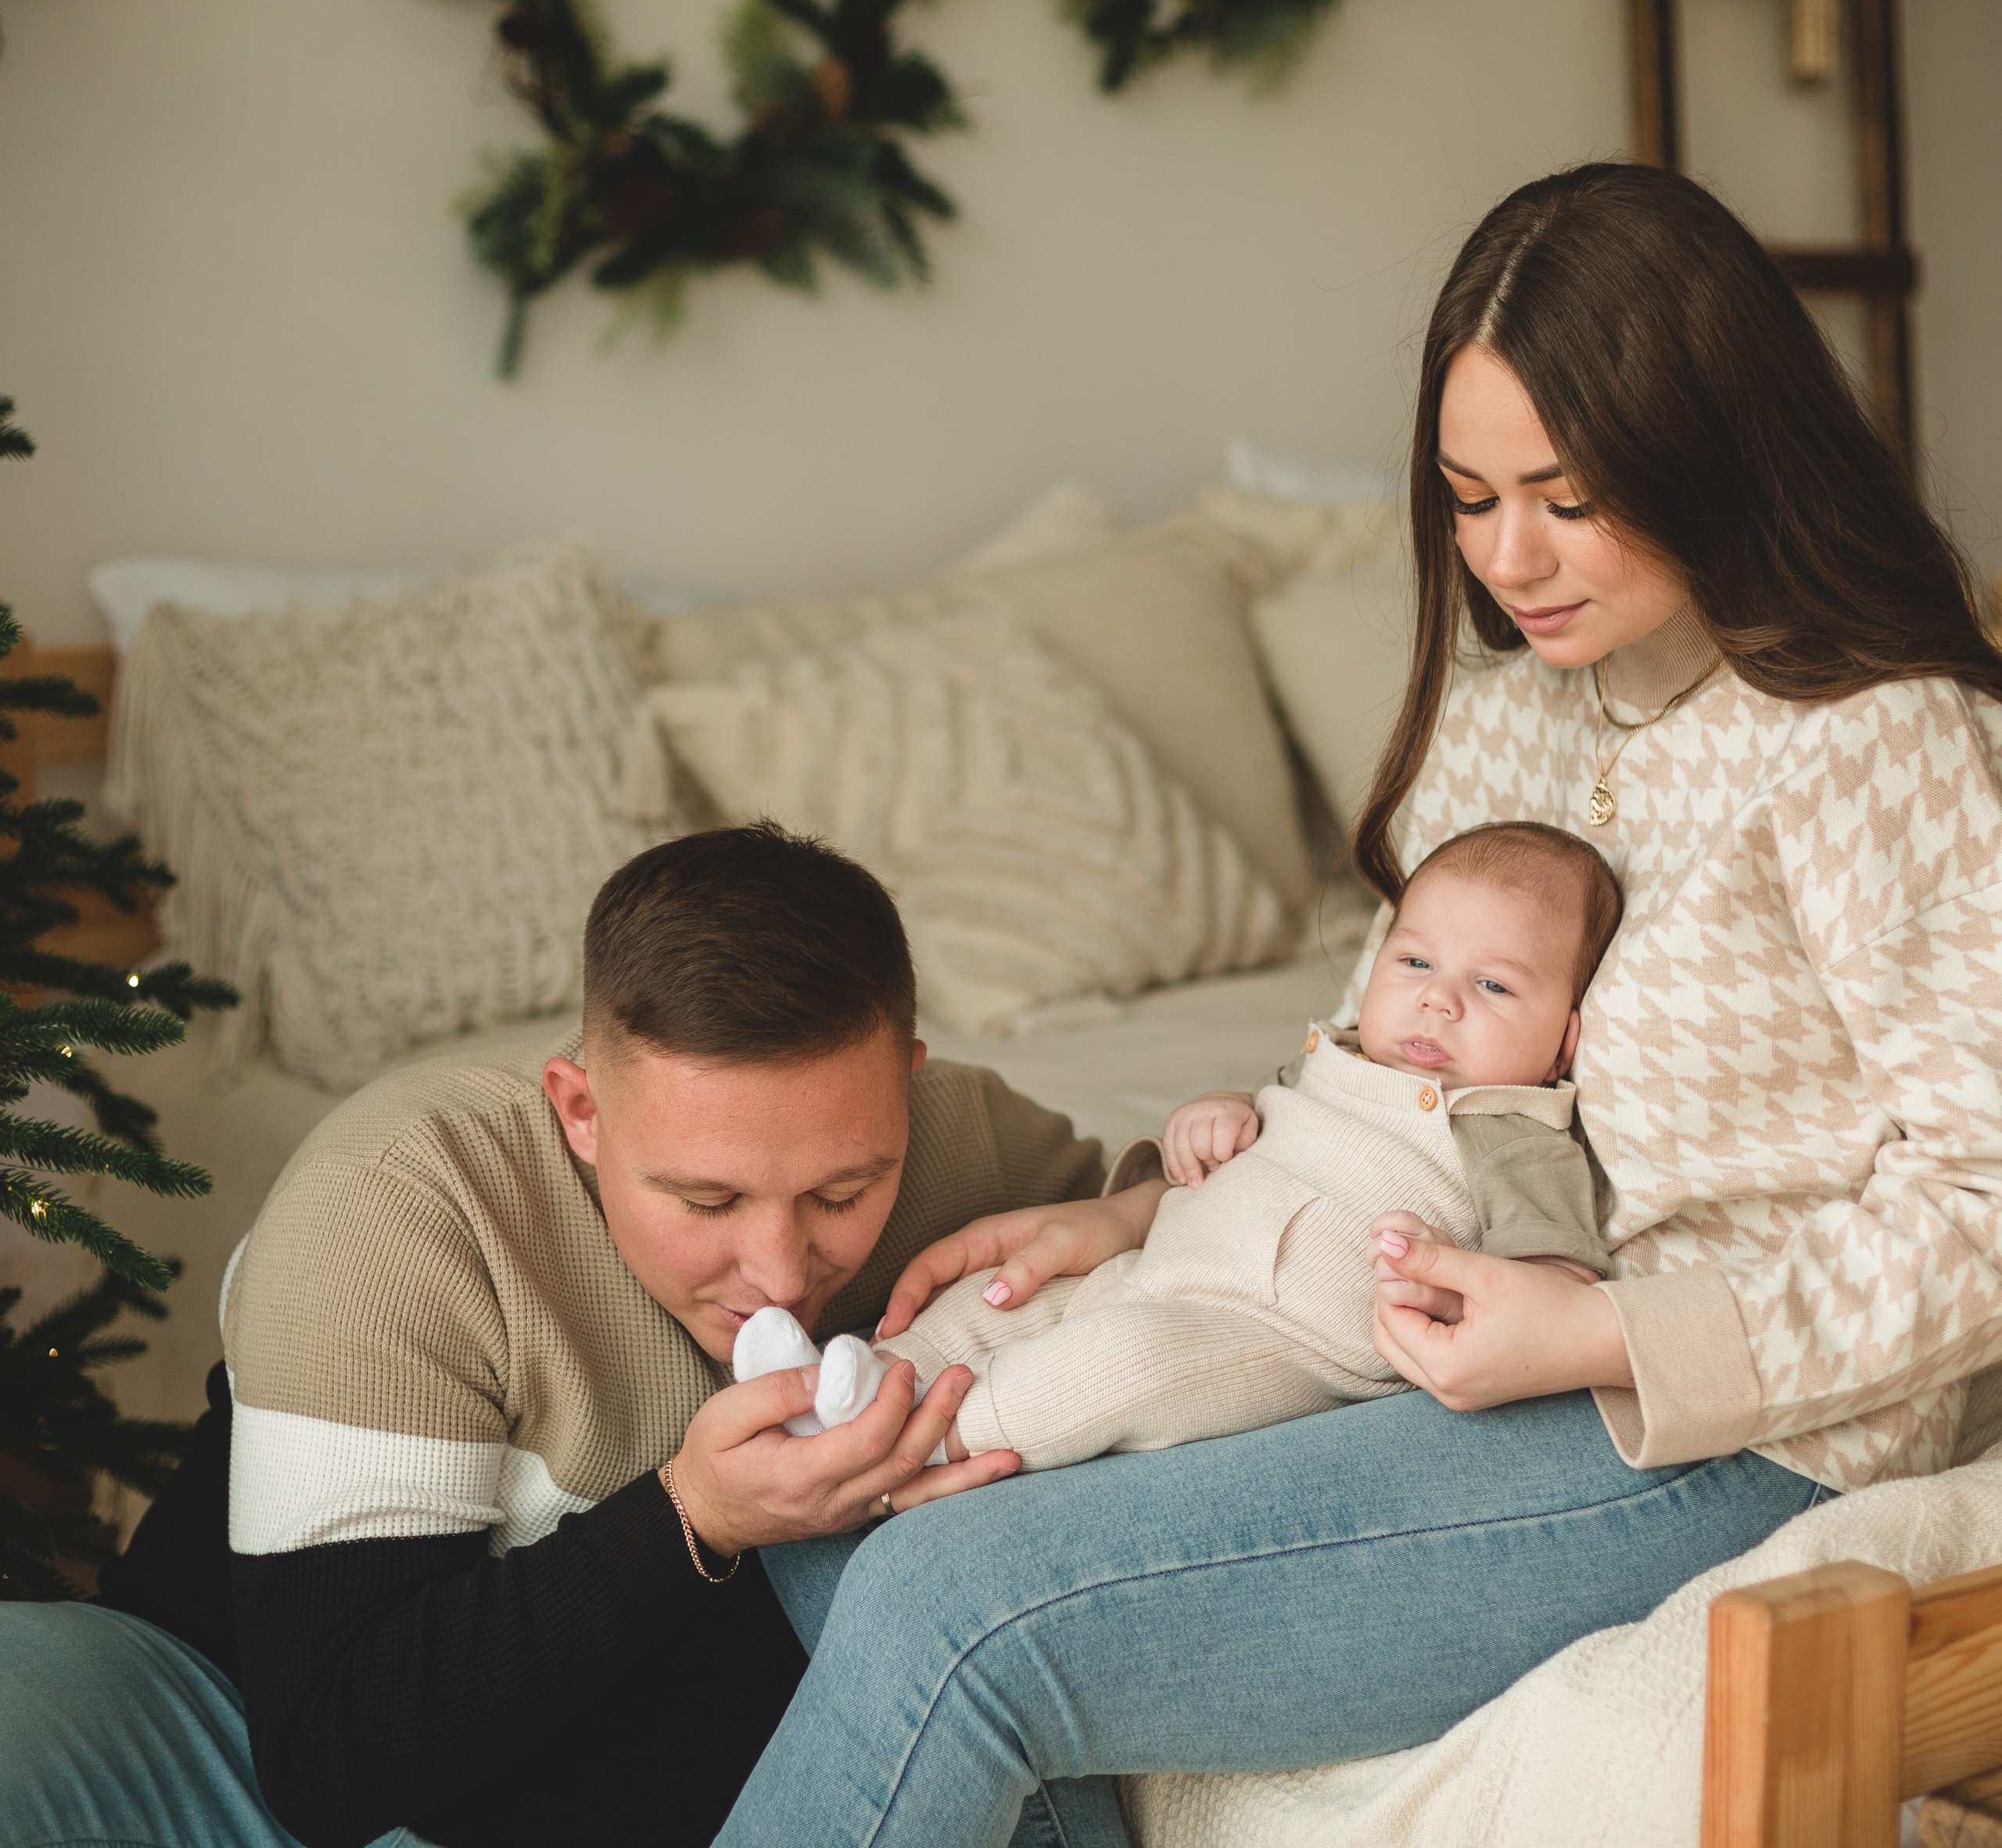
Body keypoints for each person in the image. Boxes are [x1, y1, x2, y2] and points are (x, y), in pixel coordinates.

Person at [712, 160, 2002, 1848]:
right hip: (1400, 1323)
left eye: (1562, 495)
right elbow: (1380, 1063)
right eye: (1467, 498)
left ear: (1710, 450)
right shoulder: (1507, 704)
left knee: (947, 1607)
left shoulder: (1878, 742)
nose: (1509, 558)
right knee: (835, 1484)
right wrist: (1137, 1217)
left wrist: (1597, 1330)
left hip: (1724, 1426)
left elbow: (1981, 1204)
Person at [0, 823, 1140, 1848]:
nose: (782, 1272)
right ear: (580, 1110)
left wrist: (1127, 1214)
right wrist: (703, 1519)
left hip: (563, 1754)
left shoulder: (966, 1145)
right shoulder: (399, 1201)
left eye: (845, 1193)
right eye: (707, 1203)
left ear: (908, 1086)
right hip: (230, 1712)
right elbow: (333, 1763)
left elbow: (1237, 1208)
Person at [748, 821, 1622, 1475]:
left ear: (1564, 1038)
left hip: (1270, 1337)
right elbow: (1264, 1121)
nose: (1438, 1003)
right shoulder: (1340, 1055)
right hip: (1158, 1260)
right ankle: (857, 1383)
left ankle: (914, 1445)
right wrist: (1218, 1113)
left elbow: (1553, 1283)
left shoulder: (1513, 1128)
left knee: (1118, 1365)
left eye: (1495, 984)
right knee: (1003, 1297)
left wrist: (1446, 1285)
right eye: (1415, 964)